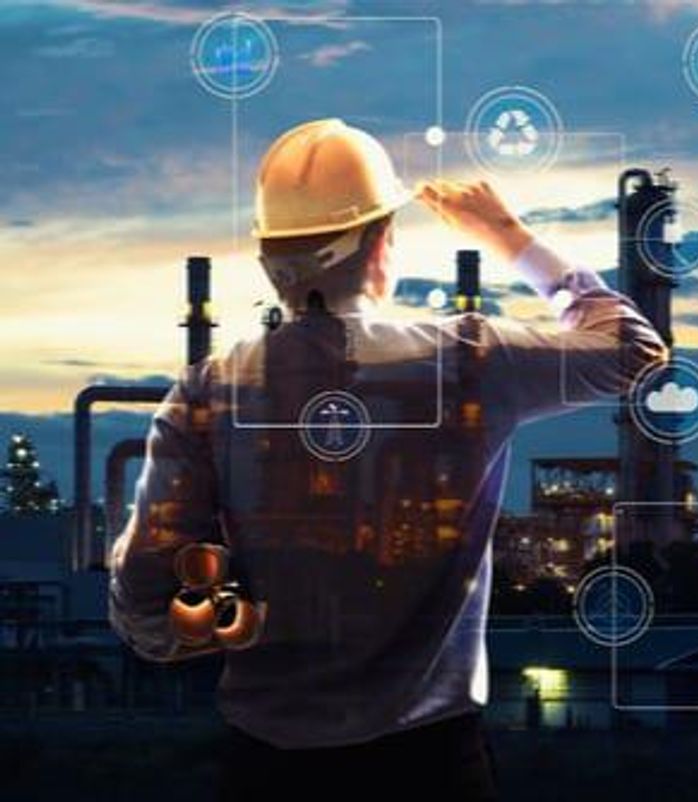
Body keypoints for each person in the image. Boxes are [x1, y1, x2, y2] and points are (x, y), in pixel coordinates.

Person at [108, 118, 667, 800]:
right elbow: (635, 349)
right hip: (431, 766)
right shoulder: (467, 360)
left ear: (266, 259)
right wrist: (508, 236)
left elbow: (145, 607)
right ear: (382, 244)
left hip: (268, 769)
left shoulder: (206, 395)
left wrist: (242, 616)